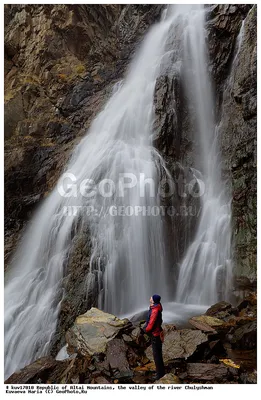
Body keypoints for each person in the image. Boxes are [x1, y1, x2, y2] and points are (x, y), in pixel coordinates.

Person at [143, 294, 165, 380]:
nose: (150, 298)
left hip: (155, 334)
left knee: (157, 355)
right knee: (158, 354)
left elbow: (151, 323)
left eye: (151, 297)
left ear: (153, 300)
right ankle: (161, 372)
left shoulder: (155, 310)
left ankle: (159, 375)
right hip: (157, 332)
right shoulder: (155, 307)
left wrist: (146, 329)